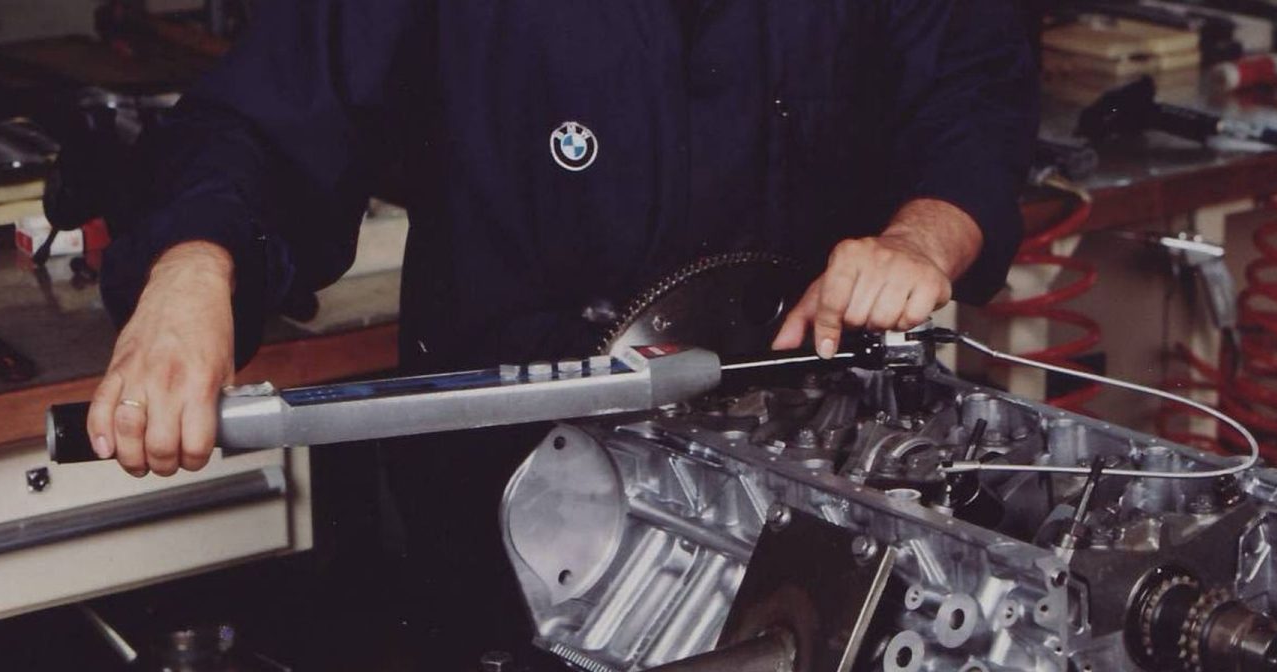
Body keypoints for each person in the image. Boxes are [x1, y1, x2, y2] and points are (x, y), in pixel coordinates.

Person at [85, 1, 1036, 667]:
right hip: (504, 515)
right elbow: (272, 115)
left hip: (817, 489)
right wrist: (193, 267)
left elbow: (975, 92)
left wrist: (923, 234)